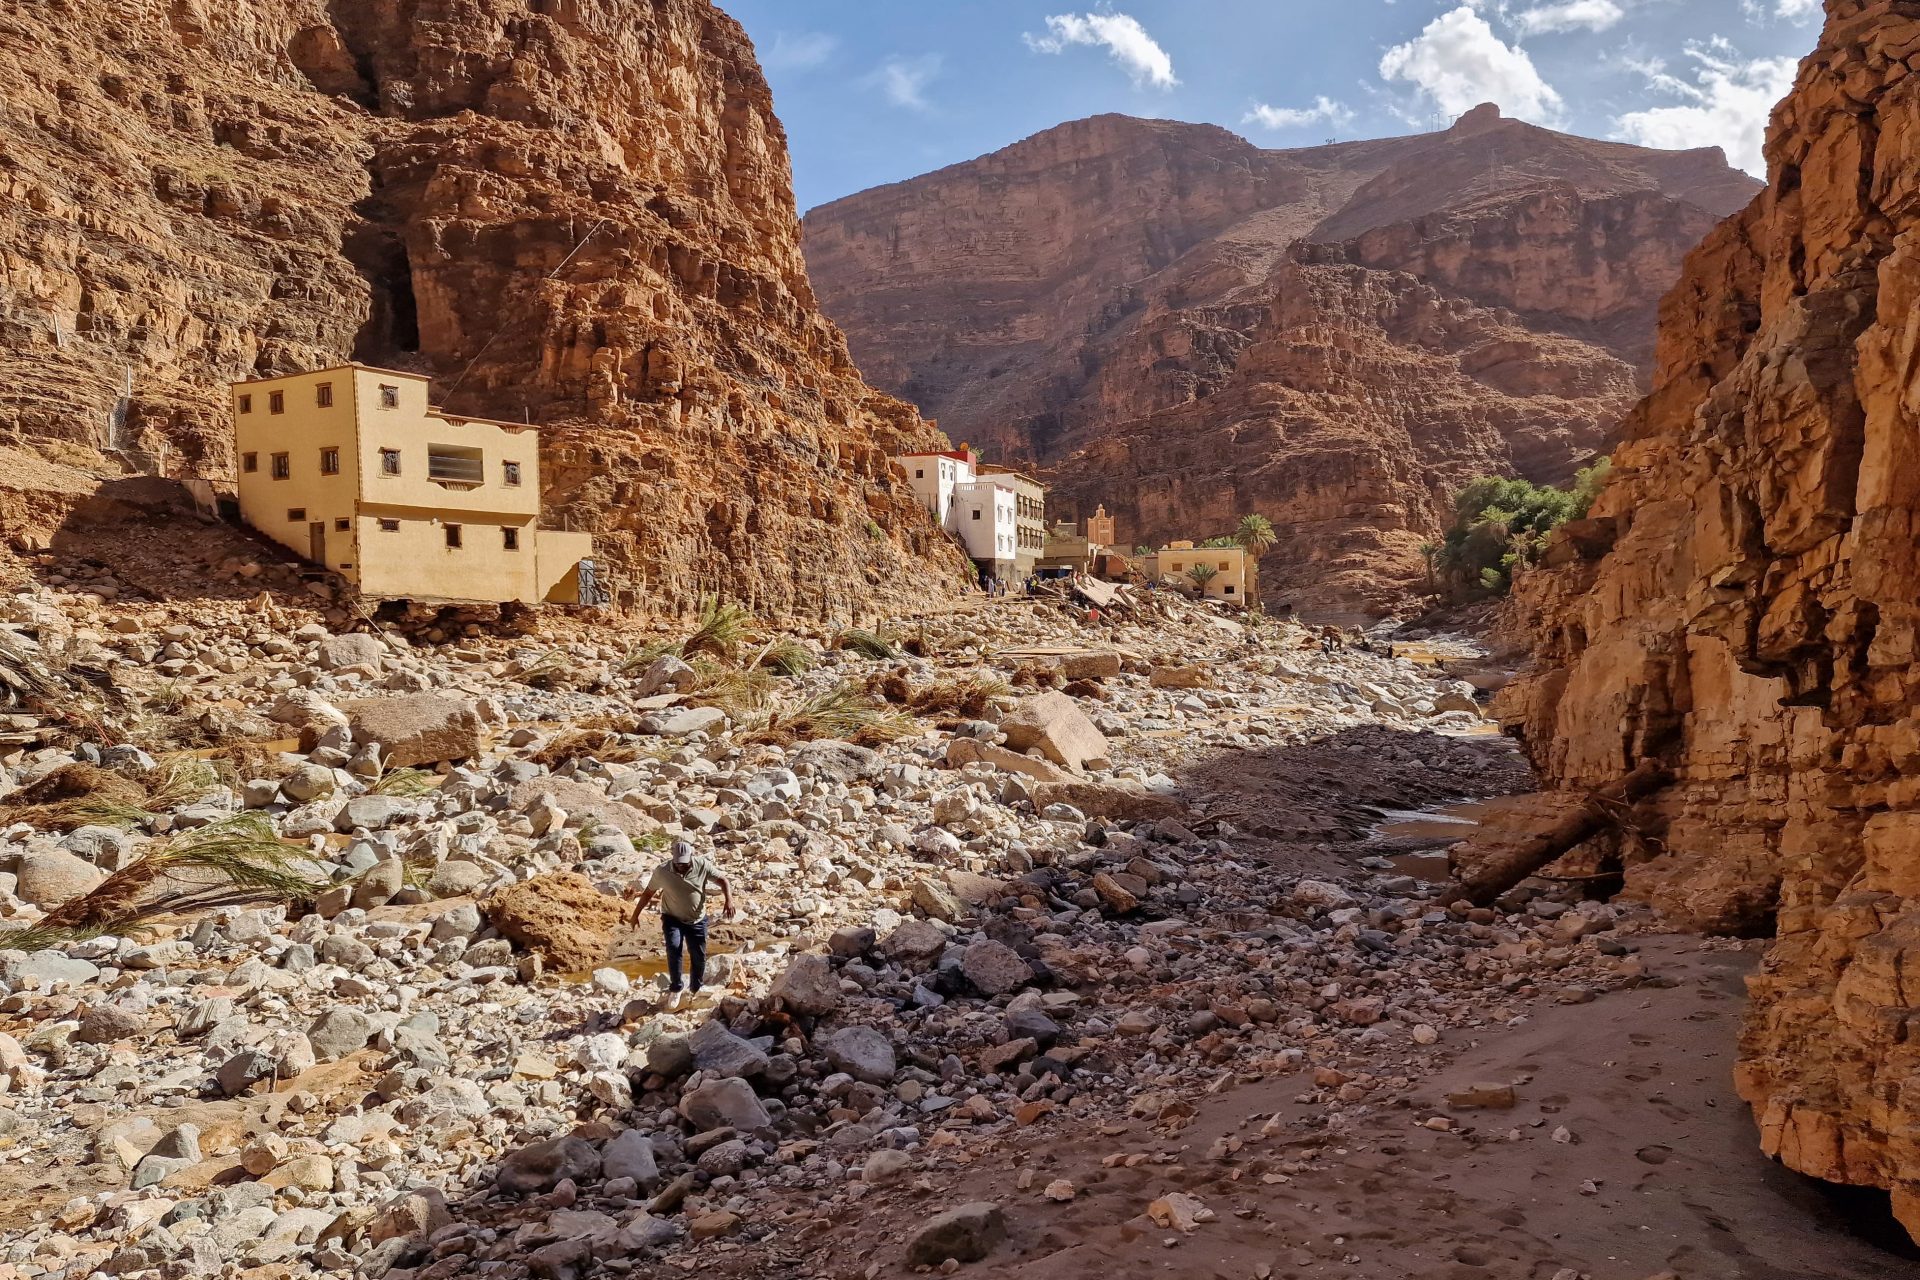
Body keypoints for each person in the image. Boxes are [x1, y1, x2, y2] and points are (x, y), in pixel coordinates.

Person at [628, 839, 732, 1008]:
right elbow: (648, 893)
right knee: (674, 947)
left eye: (685, 863)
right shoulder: (662, 871)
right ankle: (676, 988)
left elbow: (723, 880)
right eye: (678, 863)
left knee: (698, 954)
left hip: (697, 919)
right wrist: (635, 915)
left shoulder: (702, 865)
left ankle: (696, 987)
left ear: (691, 857)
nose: (681, 866)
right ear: (673, 859)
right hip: (672, 917)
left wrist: (729, 900)